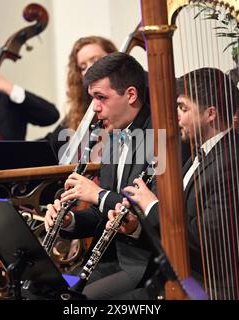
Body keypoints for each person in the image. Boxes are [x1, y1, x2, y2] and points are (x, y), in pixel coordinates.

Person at [107, 67, 239, 300]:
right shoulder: (199, 153)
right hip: (176, 277)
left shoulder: (235, 162)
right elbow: (176, 225)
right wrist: (136, 226)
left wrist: (152, 206)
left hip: (209, 288)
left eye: (183, 108)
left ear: (210, 113)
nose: (176, 116)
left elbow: (207, 238)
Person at [44, 52, 157, 299]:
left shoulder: (158, 136)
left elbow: (153, 214)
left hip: (142, 264)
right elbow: (99, 213)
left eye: (101, 98)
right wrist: (68, 220)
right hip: (106, 259)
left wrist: (98, 194)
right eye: (93, 98)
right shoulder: (114, 134)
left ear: (131, 95)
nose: (94, 108)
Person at [43, 36, 117, 155]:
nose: (89, 69)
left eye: (95, 60)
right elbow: (49, 144)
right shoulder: (83, 110)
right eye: (83, 67)